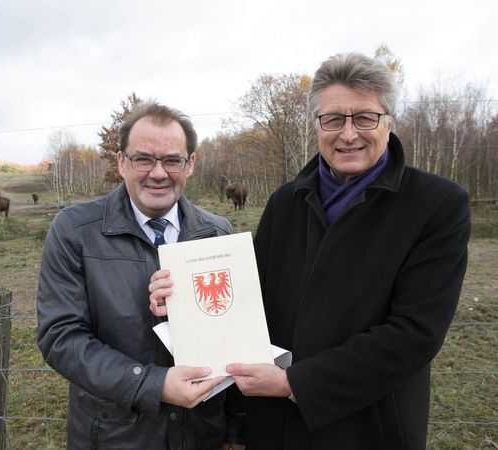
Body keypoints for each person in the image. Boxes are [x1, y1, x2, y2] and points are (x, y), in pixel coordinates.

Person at [150, 53, 470, 450]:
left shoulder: (435, 205)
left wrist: (294, 383)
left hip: (367, 426)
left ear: (389, 121)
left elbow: (414, 335)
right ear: (317, 124)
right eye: (333, 119)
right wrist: (181, 299)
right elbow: (250, 300)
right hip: (273, 425)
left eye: (365, 118)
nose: (348, 133)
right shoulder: (286, 201)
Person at [37, 101, 245, 449]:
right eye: (143, 159)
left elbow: (234, 333)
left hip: (202, 435)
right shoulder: (75, 230)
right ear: (121, 162)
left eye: (171, 160)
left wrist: (236, 431)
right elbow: (61, 338)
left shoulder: (218, 233)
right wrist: (154, 385)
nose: (158, 173)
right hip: (115, 436)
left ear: (190, 164)